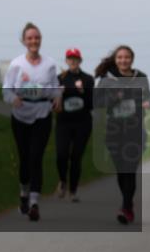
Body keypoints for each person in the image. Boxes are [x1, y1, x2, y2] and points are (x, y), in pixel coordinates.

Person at [2, 22, 62, 222]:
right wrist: (13, 99)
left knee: (36, 156)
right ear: (24, 41)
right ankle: (23, 194)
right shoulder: (17, 64)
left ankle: (34, 203)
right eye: (30, 38)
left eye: (36, 37)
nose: (34, 41)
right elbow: (6, 89)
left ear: (41, 40)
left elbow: (55, 87)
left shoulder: (50, 64)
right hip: (21, 114)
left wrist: (57, 98)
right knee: (25, 158)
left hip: (42, 113)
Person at [94, 45, 150, 225]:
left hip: (134, 131)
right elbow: (98, 102)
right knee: (121, 171)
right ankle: (128, 203)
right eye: (120, 57)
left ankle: (126, 207)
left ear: (132, 59)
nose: (123, 60)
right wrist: (115, 97)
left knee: (130, 169)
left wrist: (147, 102)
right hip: (114, 131)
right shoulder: (106, 80)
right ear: (115, 59)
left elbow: (147, 96)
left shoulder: (141, 77)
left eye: (127, 57)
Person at [54, 48, 94, 202]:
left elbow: (92, 104)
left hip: (83, 123)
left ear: (80, 61)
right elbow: (53, 104)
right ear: (66, 61)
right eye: (70, 58)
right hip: (64, 122)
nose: (73, 61)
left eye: (75, 58)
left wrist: (82, 91)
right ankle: (63, 180)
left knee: (76, 157)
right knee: (61, 155)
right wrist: (59, 94)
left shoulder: (88, 79)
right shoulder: (60, 78)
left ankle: (74, 189)